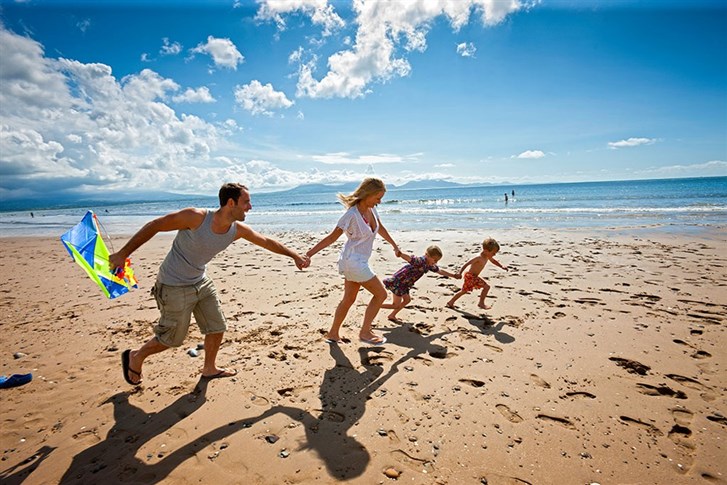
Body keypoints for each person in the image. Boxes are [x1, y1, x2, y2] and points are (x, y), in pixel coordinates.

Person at [109, 183, 309, 386]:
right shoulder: (195, 217)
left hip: (200, 281)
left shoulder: (236, 230)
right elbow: (155, 225)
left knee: (216, 326)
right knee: (171, 339)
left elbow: (266, 241)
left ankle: (209, 368)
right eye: (246, 202)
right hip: (173, 285)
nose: (250, 207)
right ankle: (136, 356)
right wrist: (123, 254)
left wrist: (293, 255)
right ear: (231, 203)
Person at [306, 178, 400, 346]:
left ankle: (333, 333)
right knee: (381, 295)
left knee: (348, 299)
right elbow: (332, 237)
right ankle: (365, 332)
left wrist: (394, 245)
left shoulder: (372, 210)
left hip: (358, 262)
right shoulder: (351, 215)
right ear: (368, 194)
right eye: (378, 197)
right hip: (353, 262)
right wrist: (309, 254)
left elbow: (381, 228)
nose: (380, 202)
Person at [381, 245, 459, 322]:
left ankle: (392, 315)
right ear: (427, 255)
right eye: (435, 260)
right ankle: (374, 306)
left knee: (407, 300)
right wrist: (400, 254)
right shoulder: (420, 261)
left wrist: (453, 275)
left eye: (437, 261)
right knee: (395, 305)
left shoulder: (429, 265)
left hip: (405, 285)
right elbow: (409, 258)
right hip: (399, 282)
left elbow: (440, 271)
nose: (436, 262)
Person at [446, 237, 508, 310]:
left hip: (474, 277)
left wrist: (501, 266)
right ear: (486, 250)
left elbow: (493, 261)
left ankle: (451, 302)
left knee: (464, 291)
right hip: (470, 277)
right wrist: (460, 273)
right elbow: (466, 264)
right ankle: (481, 303)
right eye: (493, 253)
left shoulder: (487, 256)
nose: (494, 255)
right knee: (485, 287)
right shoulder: (478, 257)